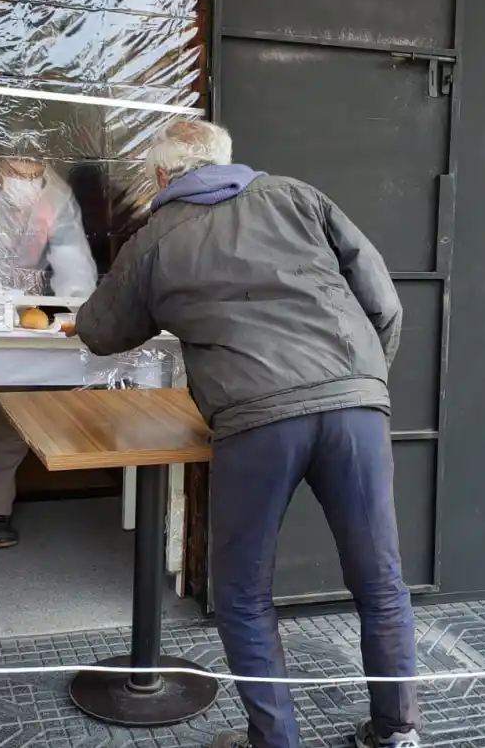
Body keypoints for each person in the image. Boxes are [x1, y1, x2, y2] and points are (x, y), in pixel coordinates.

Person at [74, 120, 421, 748]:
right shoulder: (297, 196)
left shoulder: (155, 238)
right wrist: (364, 385)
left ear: (161, 176)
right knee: (380, 581)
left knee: (242, 594)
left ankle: (275, 741)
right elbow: (384, 302)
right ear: (226, 159)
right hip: (356, 408)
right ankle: (398, 732)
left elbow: (101, 331)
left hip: (255, 419)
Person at [0, 142, 98, 548]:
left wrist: (74, 310)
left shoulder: (54, 190)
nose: (28, 182)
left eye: (34, 173)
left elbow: (73, 257)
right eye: (17, 173)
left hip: (22, 302)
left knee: (6, 398)